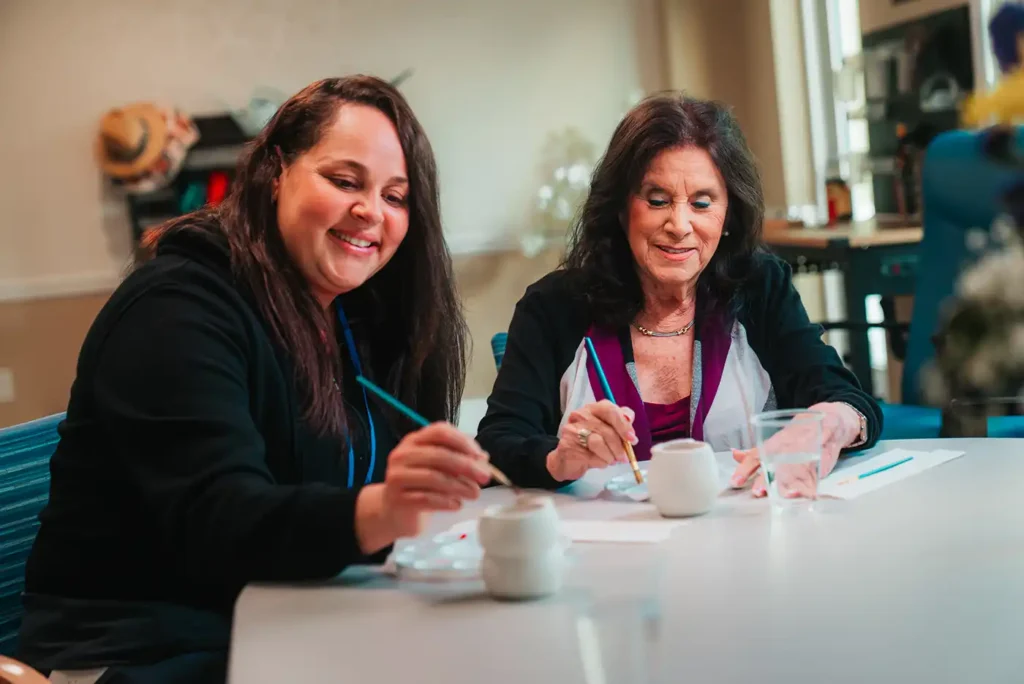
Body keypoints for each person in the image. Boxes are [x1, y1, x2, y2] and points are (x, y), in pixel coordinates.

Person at [19, 76, 489, 683]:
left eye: (396, 196)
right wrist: (380, 511)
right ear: (274, 170)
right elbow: (221, 521)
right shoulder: (175, 306)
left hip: (290, 620)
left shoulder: (350, 316)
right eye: (344, 181)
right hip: (144, 653)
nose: (371, 211)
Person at [477, 93, 882, 494]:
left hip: (746, 542)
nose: (679, 224)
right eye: (657, 200)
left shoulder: (760, 288)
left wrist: (830, 422)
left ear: (727, 217)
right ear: (621, 210)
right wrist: (559, 458)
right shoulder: (554, 306)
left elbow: (848, 400)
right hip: (606, 549)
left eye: (702, 204)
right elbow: (498, 442)